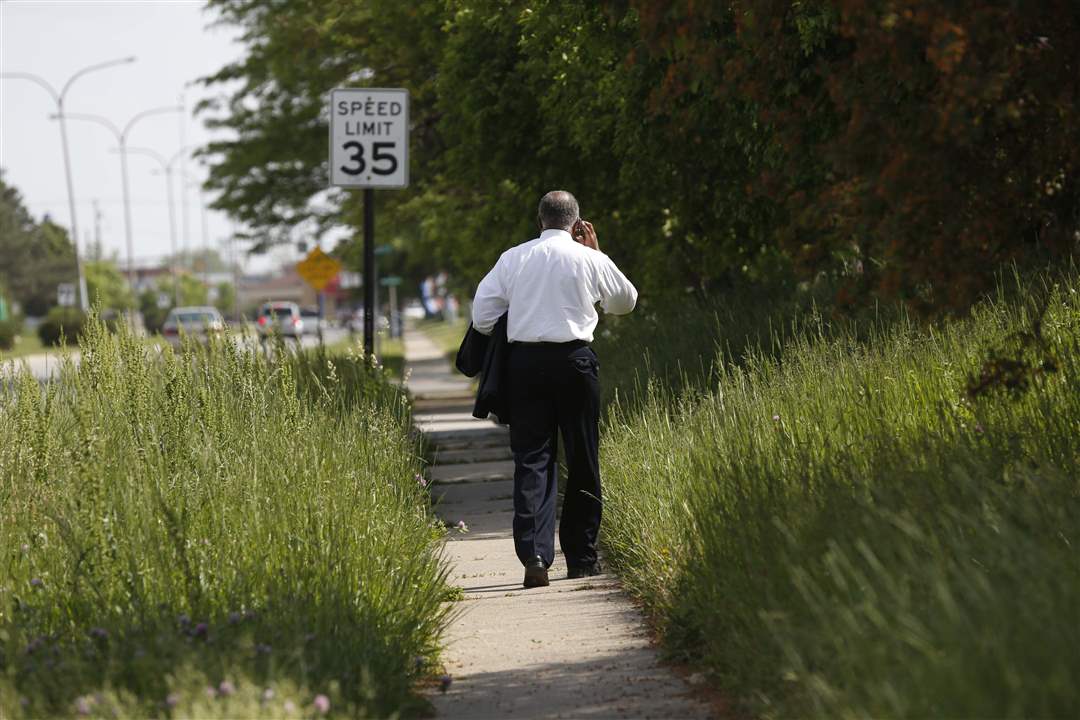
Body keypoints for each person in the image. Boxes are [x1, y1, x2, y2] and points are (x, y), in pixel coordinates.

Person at [471, 190, 638, 588]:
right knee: (582, 458)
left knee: (533, 458)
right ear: (577, 222)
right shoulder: (589, 257)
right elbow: (624, 302)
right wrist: (598, 252)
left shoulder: (514, 258)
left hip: (525, 366)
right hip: (576, 363)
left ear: (539, 220)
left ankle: (535, 554)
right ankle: (581, 558)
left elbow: (481, 315)